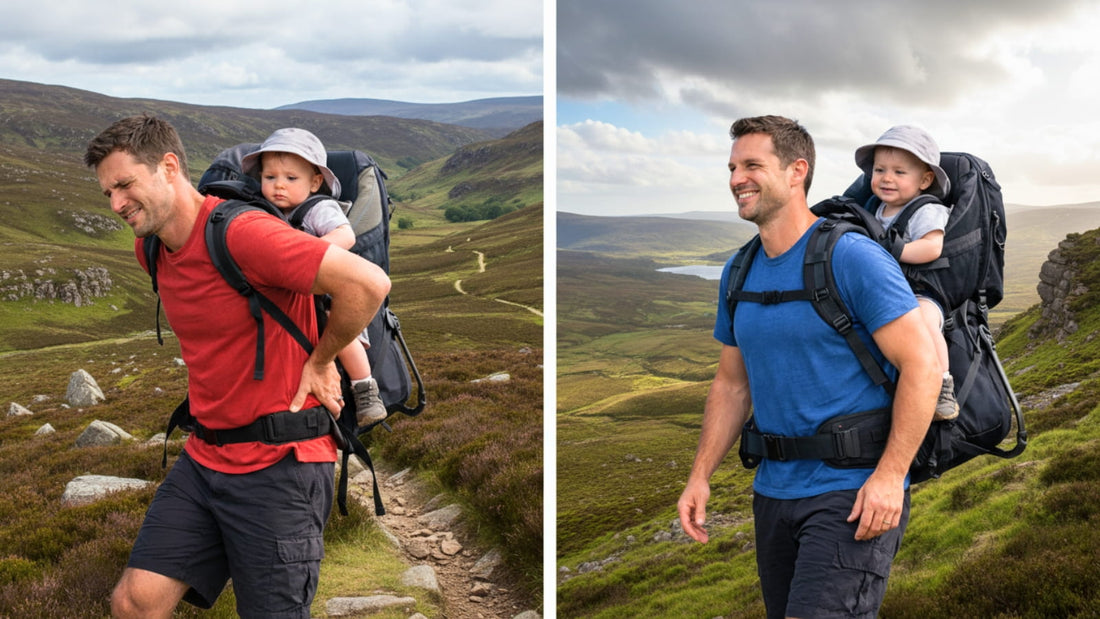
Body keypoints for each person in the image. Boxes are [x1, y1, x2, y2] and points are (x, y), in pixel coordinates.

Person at [84, 114, 391, 618]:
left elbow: (367, 284)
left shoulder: (243, 234)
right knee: (135, 603)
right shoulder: (153, 248)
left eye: (124, 185)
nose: (117, 204)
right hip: (205, 457)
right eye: (107, 194)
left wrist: (322, 359)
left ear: (168, 166)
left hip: (281, 464)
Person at [676, 115, 940, 618]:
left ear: (798, 171)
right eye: (732, 167)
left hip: (853, 491)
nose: (736, 179)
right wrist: (700, 476)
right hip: (773, 492)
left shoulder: (853, 257)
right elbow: (732, 384)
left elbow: (922, 367)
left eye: (752, 165)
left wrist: (890, 477)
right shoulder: (740, 270)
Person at [241, 127, 387, 424]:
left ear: (315, 182)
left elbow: (345, 236)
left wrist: (303, 254)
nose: (278, 186)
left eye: (291, 178)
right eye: (270, 178)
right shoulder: (264, 209)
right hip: (296, 293)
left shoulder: (319, 207)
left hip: (331, 292)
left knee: (343, 336)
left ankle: (365, 388)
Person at [855, 125, 958, 421]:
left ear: (925, 180)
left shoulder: (927, 210)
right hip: (888, 289)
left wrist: (892, 249)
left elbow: (932, 247)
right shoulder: (875, 210)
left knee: (924, 322)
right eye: (880, 170)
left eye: (899, 172)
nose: (887, 178)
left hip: (923, 292)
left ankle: (941, 384)